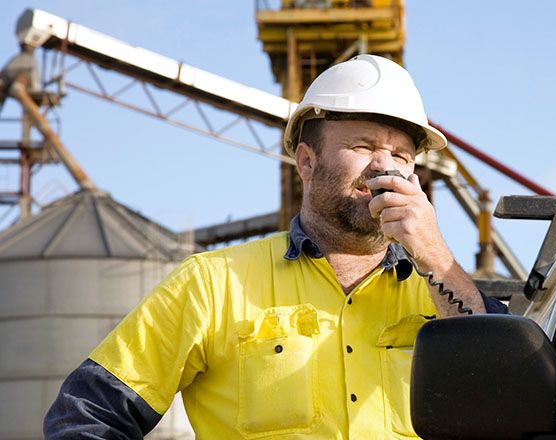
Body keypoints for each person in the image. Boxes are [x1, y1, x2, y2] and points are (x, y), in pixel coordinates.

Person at [44, 54, 508, 439]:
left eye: (402, 155)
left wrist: (438, 260)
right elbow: (86, 416)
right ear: (307, 162)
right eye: (364, 146)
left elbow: (507, 391)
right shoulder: (213, 283)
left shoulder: (439, 290)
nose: (384, 167)